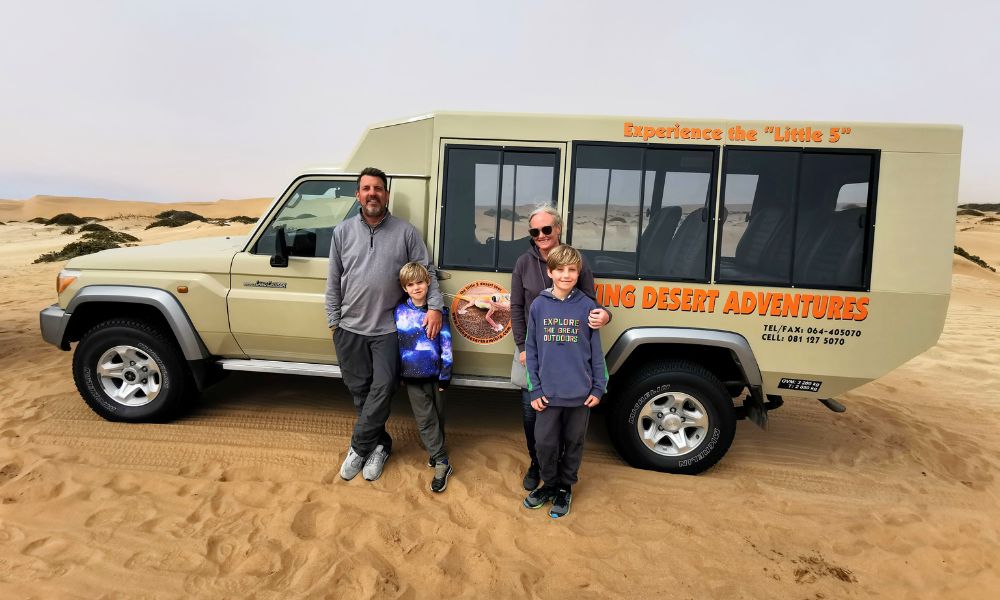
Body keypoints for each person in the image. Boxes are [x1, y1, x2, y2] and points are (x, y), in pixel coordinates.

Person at [326, 167, 443, 483]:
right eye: (366, 188)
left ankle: (358, 447)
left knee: (383, 387)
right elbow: (333, 280)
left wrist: (435, 307)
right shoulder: (342, 232)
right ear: (358, 195)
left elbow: (426, 271)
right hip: (349, 327)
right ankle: (379, 445)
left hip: (390, 329)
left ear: (386, 194)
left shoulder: (405, 232)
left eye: (378, 188)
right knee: (359, 390)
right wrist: (334, 321)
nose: (372, 193)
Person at [510, 205, 610, 491]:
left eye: (546, 229)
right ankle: (537, 462)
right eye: (535, 231)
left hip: (566, 348)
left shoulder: (575, 261)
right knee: (533, 411)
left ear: (558, 229)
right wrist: (522, 347)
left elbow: (591, 303)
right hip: (532, 345)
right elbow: (516, 307)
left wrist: (605, 315)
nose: (541, 235)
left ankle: (563, 475)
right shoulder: (523, 263)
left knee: (567, 424)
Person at [522, 244, 607, 518]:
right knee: (544, 443)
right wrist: (534, 388)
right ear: (550, 272)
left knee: (573, 443)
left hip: (580, 395)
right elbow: (531, 350)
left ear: (578, 272)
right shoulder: (539, 305)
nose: (566, 275)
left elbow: (596, 352)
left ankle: (565, 488)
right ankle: (549, 484)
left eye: (572, 270)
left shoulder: (587, 307)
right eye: (560, 270)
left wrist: (598, 387)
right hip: (547, 393)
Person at [395, 261, 454, 493]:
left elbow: (447, 344)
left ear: (428, 282)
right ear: (404, 288)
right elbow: (397, 346)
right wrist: (399, 372)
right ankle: (441, 461)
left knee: (438, 417)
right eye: (410, 284)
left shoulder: (439, 313)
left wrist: (445, 375)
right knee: (425, 419)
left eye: (420, 282)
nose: (416, 287)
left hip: (435, 374)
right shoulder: (399, 313)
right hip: (411, 376)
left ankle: (435, 450)